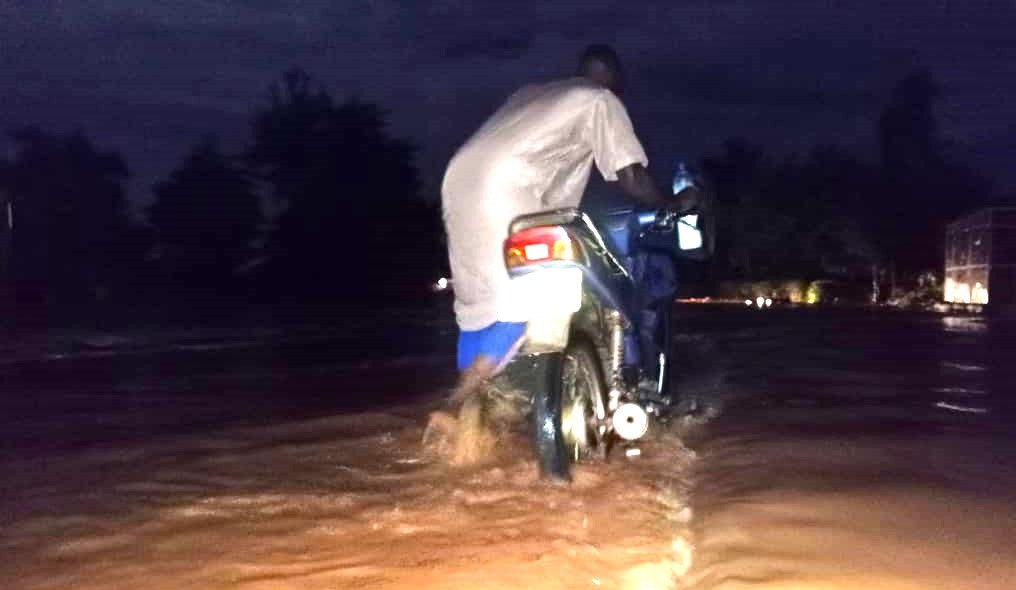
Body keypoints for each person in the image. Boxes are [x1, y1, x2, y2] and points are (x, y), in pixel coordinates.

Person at [441, 44, 699, 407]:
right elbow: (629, 175)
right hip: (509, 188)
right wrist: (670, 202)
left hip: (458, 180)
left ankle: (473, 421)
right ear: (613, 79)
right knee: (535, 300)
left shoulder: (531, 93)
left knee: (480, 303)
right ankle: (454, 407)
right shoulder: (599, 98)